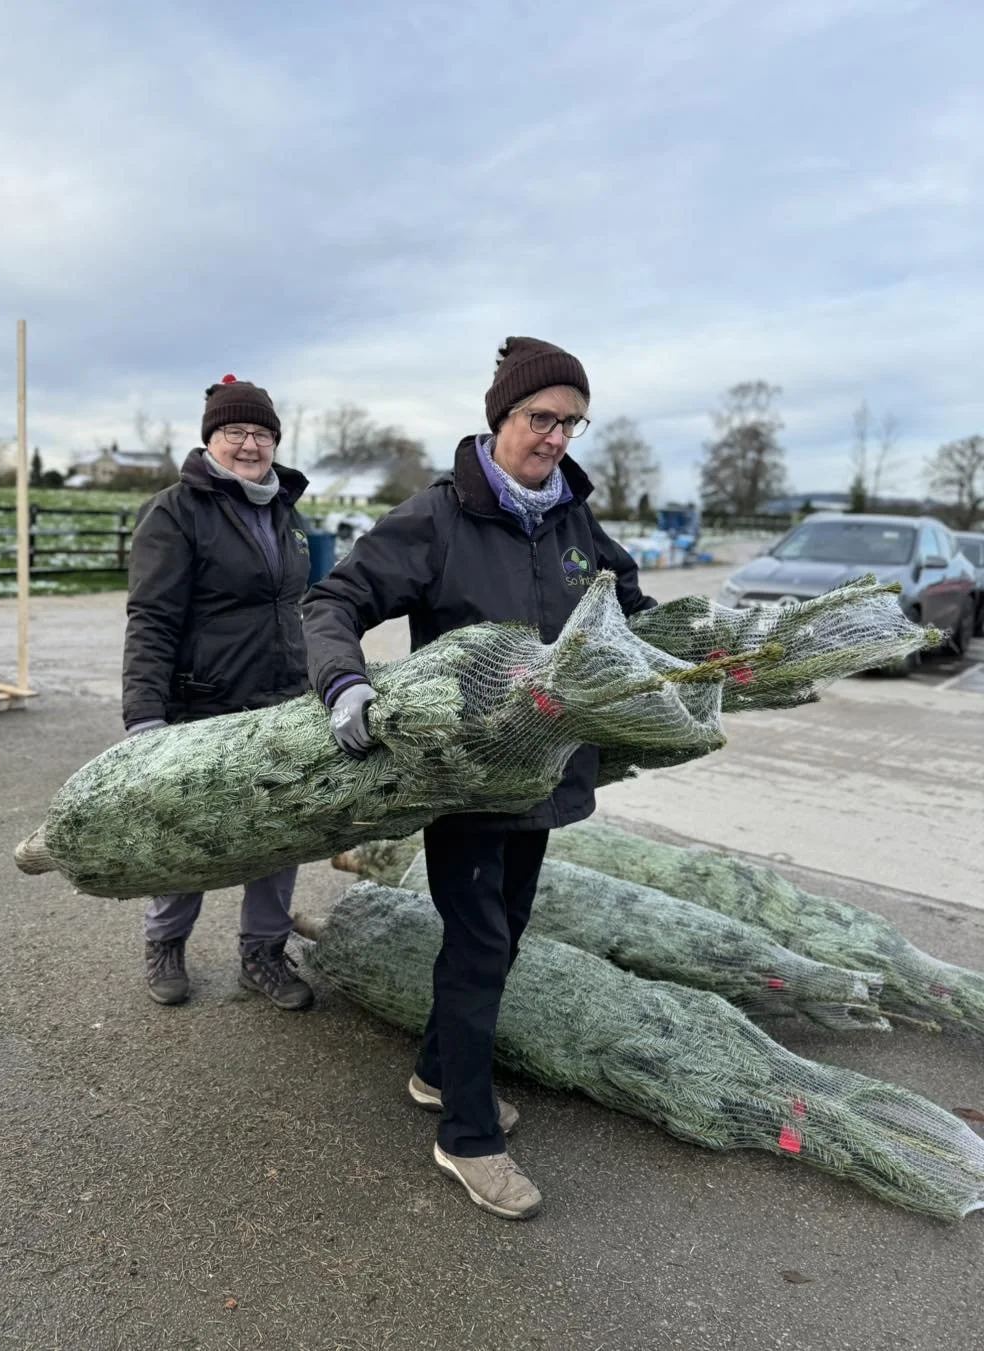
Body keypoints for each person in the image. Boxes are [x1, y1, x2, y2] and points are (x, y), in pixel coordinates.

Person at [302, 336, 657, 1218]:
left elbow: (625, 601)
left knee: (507, 931)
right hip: (463, 778)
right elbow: (332, 601)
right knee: (478, 945)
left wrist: (693, 643)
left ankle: (437, 1071)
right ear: (501, 415)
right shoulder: (439, 517)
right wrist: (345, 683)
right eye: (542, 418)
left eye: (572, 423)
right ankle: (465, 1135)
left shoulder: (573, 519)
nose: (556, 439)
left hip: (542, 777)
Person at [122, 374, 315, 1011]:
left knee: (279, 830)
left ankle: (262, 952)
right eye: (236, 431)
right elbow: (151, 617)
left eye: (262, 433)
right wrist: (145, 716)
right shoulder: (175, 511)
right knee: (189, 833)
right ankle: (166, 940)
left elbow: (297, 607)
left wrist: (318, 680)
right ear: (211, 438)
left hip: (279, 700)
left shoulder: (287, 512)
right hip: (201, 703)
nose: (250, 445)